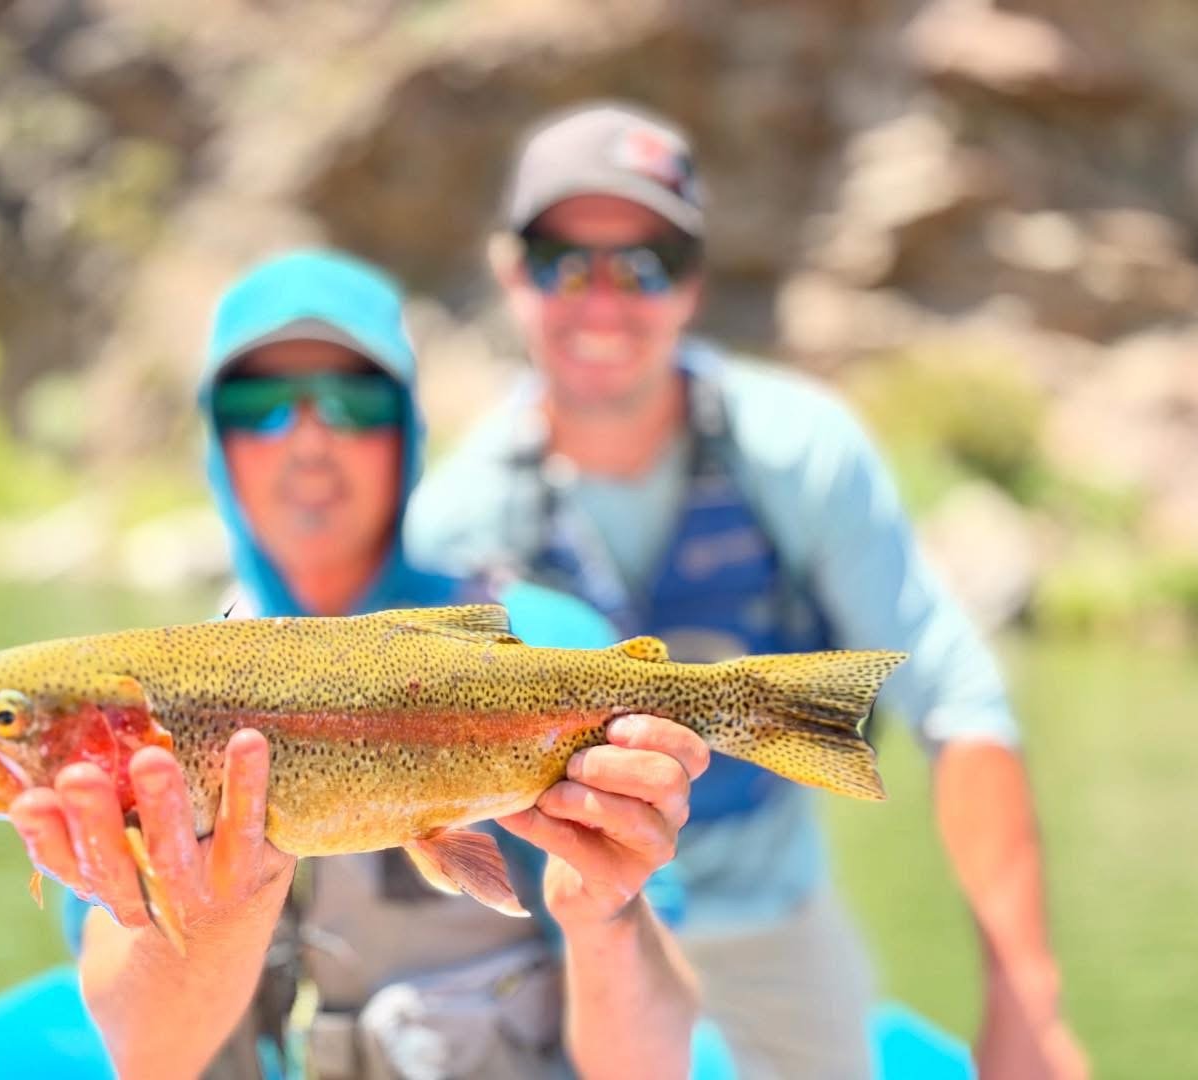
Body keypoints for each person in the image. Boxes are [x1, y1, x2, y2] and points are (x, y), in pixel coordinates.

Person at [406, 103, 1088, 1080]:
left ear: (692, 286)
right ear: (512, 274)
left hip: (773, 912)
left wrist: (1028, 1008)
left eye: (645, 264)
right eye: (565, 260)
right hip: (566, 913)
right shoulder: (459, 520)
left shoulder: (799, 452)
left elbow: (958, 702)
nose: (604, 300)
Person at [4, 250, 715, 1080]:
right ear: (217, 447)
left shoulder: (547, 654)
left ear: (409, 433)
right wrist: (209, 923)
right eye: (262, 404)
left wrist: (606, 919)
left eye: (353, 400)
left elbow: (654, 1067)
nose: (308, 440)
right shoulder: (159, 699)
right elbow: (147, 1059)